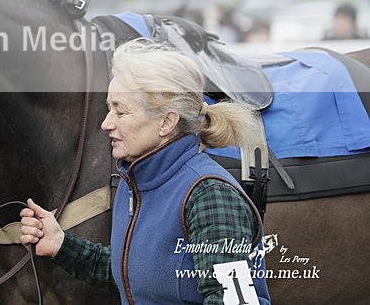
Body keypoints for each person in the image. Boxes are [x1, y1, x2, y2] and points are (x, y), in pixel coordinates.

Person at [20, 40, 271, 304]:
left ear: (166, 122)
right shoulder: (133, 182)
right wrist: (61, 244)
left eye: (120, 111)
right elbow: (134, 275)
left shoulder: (210, 195)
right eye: (109, 108)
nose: (106, 123)